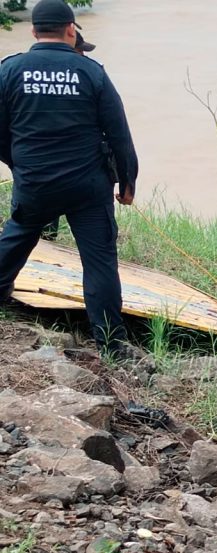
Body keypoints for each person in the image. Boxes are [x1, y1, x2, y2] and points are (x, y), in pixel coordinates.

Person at [0, 0, 138, 355]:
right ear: (71, 29)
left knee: (17, 237)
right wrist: (128, 180)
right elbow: (119, 132)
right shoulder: (91, 72)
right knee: (99, 261)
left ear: (33, 31)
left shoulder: (10, 71)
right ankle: (110, 342)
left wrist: (19, 164)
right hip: (87, 186)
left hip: (35, 183)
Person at [40, 31, 96, 242]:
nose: (83, 55)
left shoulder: (33, 74)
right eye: (80, 50)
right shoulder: (89, 76)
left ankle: (48, 239)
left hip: (40, 165)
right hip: (72, 165)